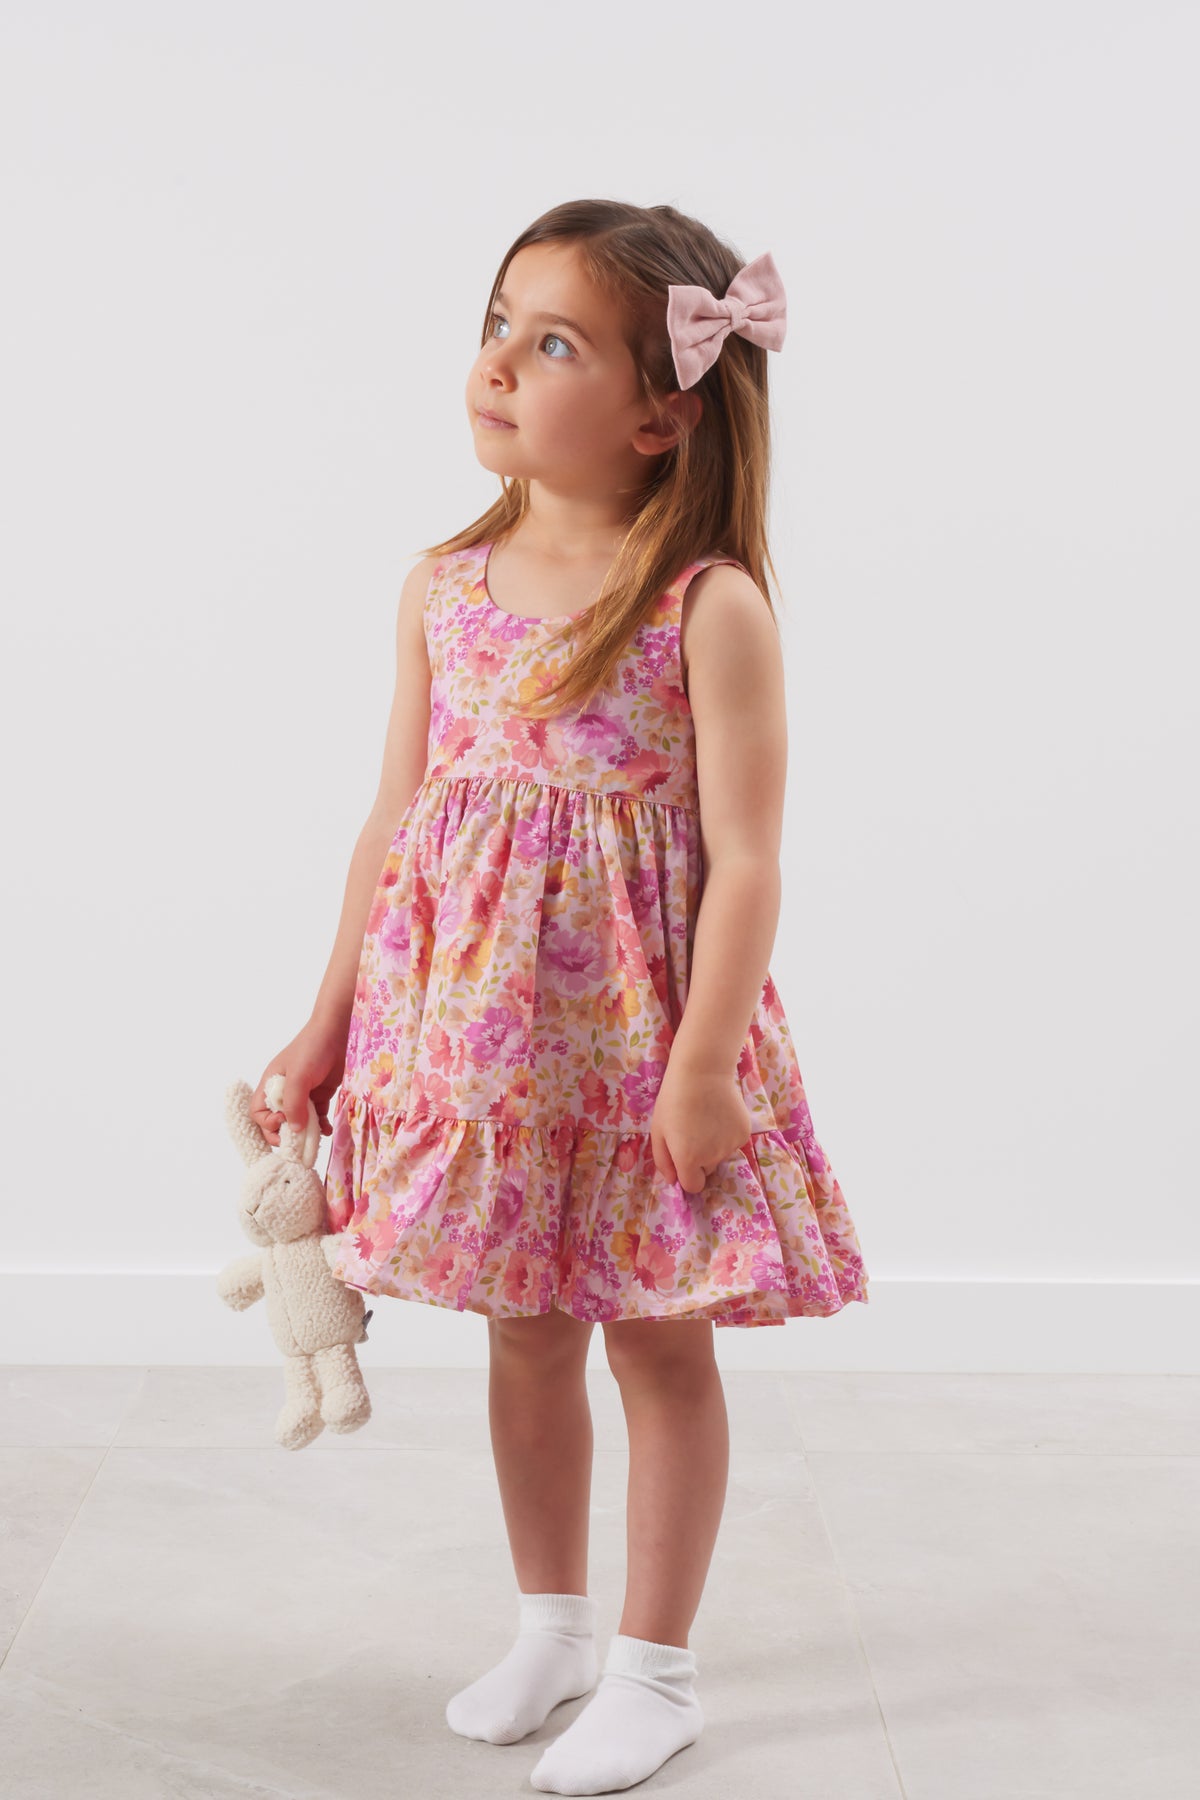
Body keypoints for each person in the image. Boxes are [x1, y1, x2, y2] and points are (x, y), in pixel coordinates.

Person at [251, 197, 870, 1796]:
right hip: (485, 1052)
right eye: (496, 326)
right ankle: (554, 1627)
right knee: (525, 1340)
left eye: (552, 344)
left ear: (662, 414)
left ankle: (657, 1673)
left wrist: (706, 1065)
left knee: (656, 1346)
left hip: (646, 1050)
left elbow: (749, 860)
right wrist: (328, 1020)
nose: (496, 367)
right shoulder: (442, 588)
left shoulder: (705, 604)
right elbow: (394, 824)